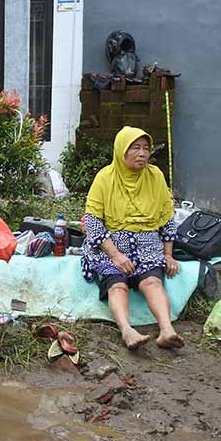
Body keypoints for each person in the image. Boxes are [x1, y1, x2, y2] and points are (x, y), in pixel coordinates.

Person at [81, 126, 184, 350]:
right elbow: (92, 221)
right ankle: (127, 331)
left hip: (147, 240)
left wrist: (168, 254)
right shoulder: (105, 178)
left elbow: (167, 218)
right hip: (111, 243)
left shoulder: (155, 176)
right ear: (122, 151)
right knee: (117, 285)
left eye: (146, 148)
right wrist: (116, 255)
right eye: (135, 148)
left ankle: (166, 330)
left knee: (152, 281)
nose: (143, 153)